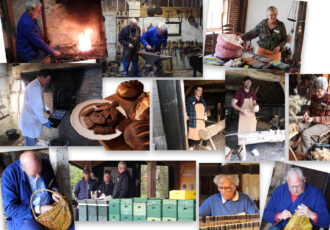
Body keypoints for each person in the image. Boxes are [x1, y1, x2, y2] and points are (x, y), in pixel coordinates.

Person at [1, 151, 74, 230]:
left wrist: (54, 191)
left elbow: (53, 182)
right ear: (23, 168)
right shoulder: (9, 175)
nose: (38, 176)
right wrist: (38, 209)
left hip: (50, 208)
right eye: (33, 175)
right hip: (26, 216)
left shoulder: (45, 163)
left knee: (72, 225)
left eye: (40, 171)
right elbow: (10, 208)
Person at [263, 167, 330, 229]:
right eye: (291, 186)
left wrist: (311, 214)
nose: (295, 190)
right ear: (288, 183)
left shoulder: (316, 194)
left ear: (304, 180)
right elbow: (265, 214)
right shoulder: (280, 190)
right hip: (279, 227)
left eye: (298, 186)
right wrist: (279, 215)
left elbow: (327, 222)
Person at [292, 76, 329, 155]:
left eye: (319, 91)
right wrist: (307, 112)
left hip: (325, 124)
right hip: (313, 119)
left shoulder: (329, 99)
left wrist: (313, 119)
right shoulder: (313, 96)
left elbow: (329, 118)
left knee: (305, 134)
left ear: (325, 89)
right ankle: (293, 145)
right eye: (315, 91)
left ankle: (309, 153)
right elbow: (310, 108)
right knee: (298, 126)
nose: (316, 94)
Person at [18, 69, 53, 146]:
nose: (48, 82)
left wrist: (46, 109)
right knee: (30, 144)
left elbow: (39, 103)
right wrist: (45, 121)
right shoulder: (35, 88)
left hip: (30, 119)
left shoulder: (38, 86)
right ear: (42, 78)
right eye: (47, 80)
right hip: (29, 120)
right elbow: (37, 108)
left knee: (30, 141)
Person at [231, 76, 259, 157]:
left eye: (250, 82)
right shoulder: (239, 92)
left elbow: (254, 102)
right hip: (243, 114)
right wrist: (242, 110)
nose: (248, 83)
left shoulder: (252, 92)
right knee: (242, 131)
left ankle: (253, 148)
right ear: (243, 82)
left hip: (251, 114)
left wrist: (256, 106)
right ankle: (242, 148)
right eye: (247, 81)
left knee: (253, 131)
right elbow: (233, 104)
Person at [185, 86, 208, 150]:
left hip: (201, 120)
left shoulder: (202, 100)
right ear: (195, 91)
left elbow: (205, 109)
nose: (200, 92)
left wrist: (205, 115)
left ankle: (204, 144)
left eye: (201, 91)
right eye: (199, 90)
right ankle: (192, 145)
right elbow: (186, 108)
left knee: (202, 131)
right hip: (193, 119)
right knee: (192, 132)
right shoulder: (190, 99)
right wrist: (186, 115)